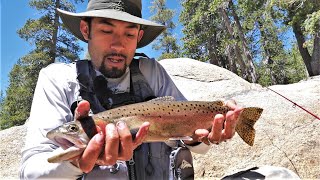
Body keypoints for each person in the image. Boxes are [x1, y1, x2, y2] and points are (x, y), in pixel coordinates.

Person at [19, 0, 299, 179]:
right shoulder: (57, 78)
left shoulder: (152, 72)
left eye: (129, 34)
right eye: (106, 31)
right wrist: (77, 163)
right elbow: (30, 172)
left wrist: (199, 137)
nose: (118, 44)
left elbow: (196, 143)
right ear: (85, 29)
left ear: (139, 37)